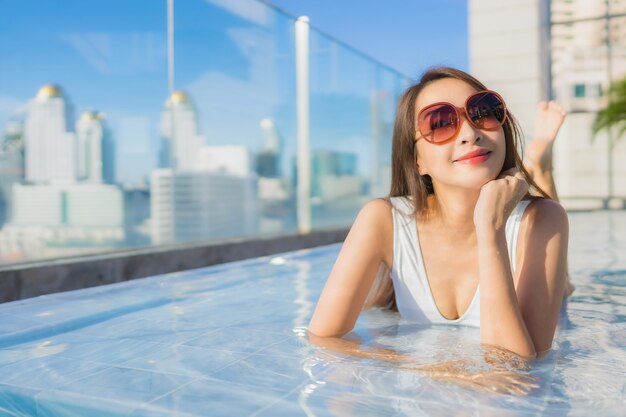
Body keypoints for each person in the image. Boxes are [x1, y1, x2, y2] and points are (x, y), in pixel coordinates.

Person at [308, 67, 571, 369]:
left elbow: (518, 370)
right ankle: (539, 164)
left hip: (532, 235)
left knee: (564, 287)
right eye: (440, 123)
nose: (470, 134)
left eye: (483, 111)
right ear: (416, 159)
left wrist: (491, 228)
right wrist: (436, 369)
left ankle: (540, 165)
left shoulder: (546, 218)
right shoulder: (383, 218)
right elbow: (324, 338)